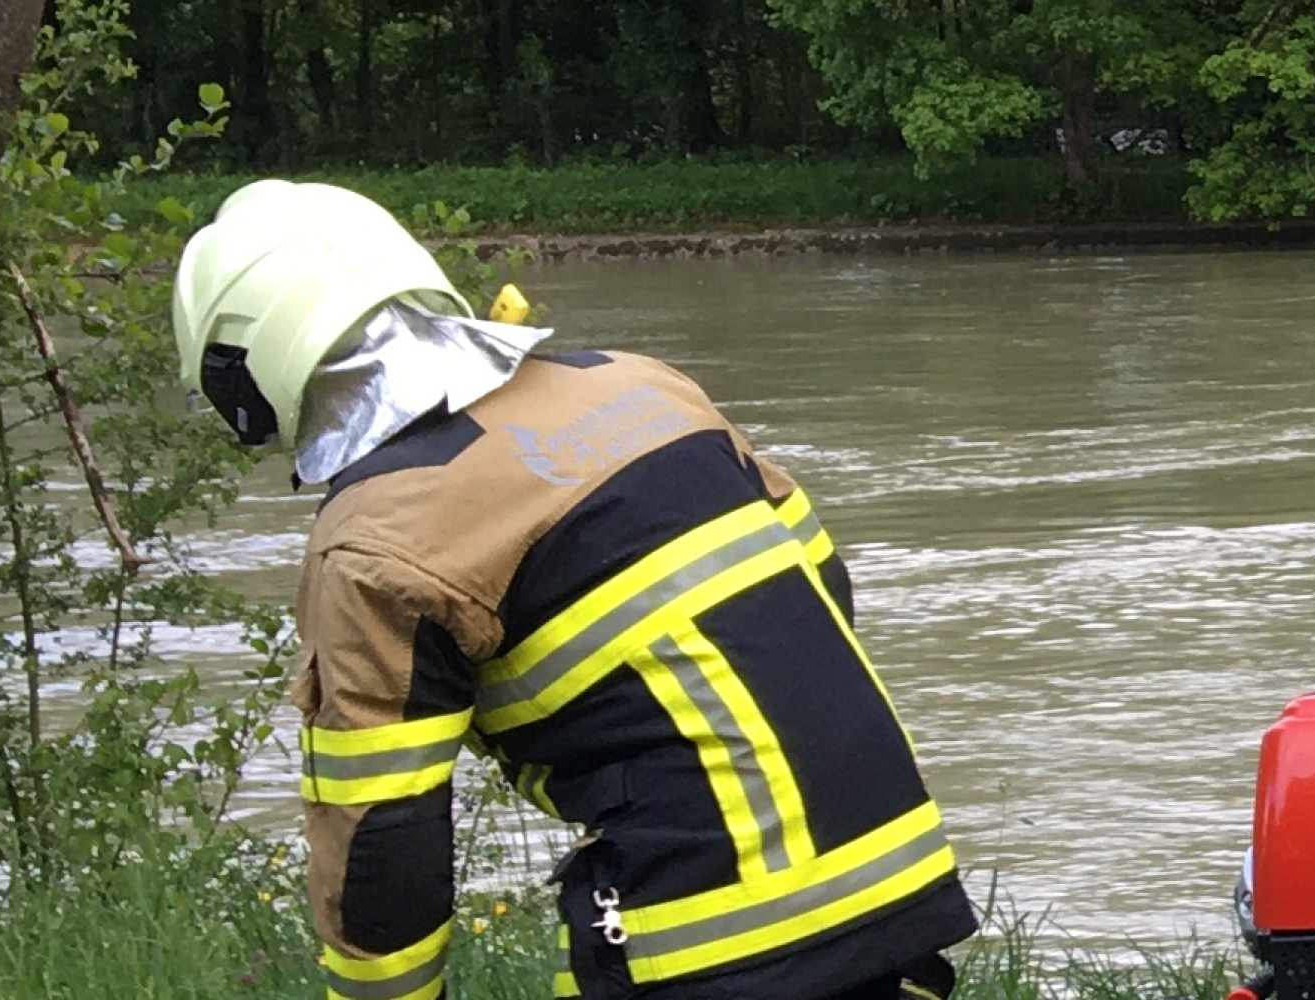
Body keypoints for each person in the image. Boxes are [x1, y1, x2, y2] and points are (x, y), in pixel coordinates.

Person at [179, 179, 975, 1000]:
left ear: (245, 373)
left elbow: (383, 834)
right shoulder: (642, 386)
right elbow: (821, 588)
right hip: (897, 879)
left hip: (703, 939)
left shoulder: (376, 540)